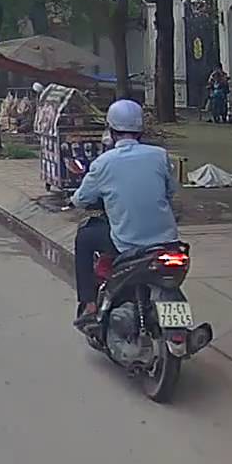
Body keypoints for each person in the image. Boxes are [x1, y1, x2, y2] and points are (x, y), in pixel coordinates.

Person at [70, 99, 180, 326]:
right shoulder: (160, 155)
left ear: (111, 131)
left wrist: (75, 199)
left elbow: (81, 199)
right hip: (167, 241)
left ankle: (89, 304)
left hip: (128, 243)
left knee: (84, 237)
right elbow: (171, 190)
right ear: (140, 129)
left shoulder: (103, 163)